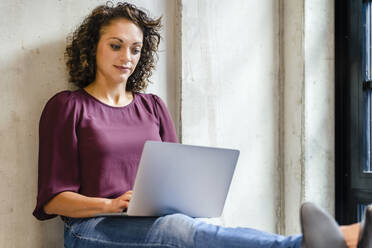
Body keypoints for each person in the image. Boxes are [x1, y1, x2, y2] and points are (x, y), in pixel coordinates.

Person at [32, 2, 372, 248]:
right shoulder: (68, 107)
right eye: (116, 46)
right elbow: (53, 200)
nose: (127, 58)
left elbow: (176, 177)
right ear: (92, 48)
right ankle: (322, 241)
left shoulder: (152, 106)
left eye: (135, 49)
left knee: (189, 229)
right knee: (179, 232)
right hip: (92, 228)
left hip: (153, 220)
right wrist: (110, 204)